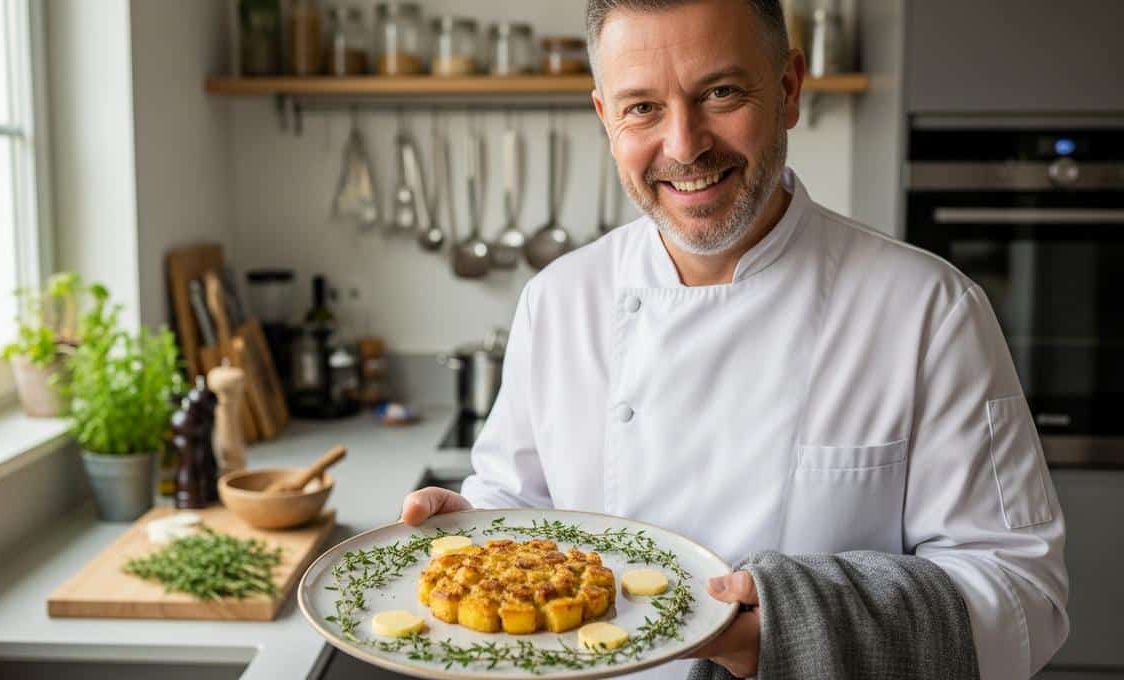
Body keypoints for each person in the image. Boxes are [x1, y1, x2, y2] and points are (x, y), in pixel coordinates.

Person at [401, 1, 1068, 678]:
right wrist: (475, 531)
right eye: (642, 108)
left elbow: (1021, 598)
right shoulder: (558, 301)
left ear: (788, 90)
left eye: (720, 93)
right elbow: (519, 506)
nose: (685, 145)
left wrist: (792, 623)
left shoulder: (927, 309)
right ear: (606, 118)